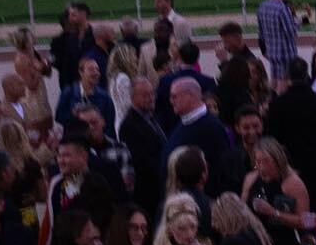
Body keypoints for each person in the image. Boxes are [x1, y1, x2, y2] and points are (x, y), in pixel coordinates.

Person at [265, 56, 316, 214]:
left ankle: (299, 233)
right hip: (315, 162)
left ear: (287, 76)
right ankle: (312, 232)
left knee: (290, 205)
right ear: (306, 75)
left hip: (288, 165)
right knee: (313, 203)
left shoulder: (278, 104)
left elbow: (270, 138)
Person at [162, 77, 230, 184]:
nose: (171, 101)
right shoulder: (182, 123)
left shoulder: (211, 128)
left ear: (190, 96)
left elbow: (221, 168)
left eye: (174, 97)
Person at [119, 77, 167, 219]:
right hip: (147, 192)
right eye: (146, 95)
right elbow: (141, 161)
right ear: (133, 97)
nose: (151, 98)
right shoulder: (129, 126)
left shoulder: (152, 118)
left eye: (152, 93)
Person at [56, 56, 115, 137]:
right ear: (81, 72)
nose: (96, 73)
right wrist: (73, 115)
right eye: (91, 69)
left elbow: (109, 126)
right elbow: (59, 117)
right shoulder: (69, 92)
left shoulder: (105, 98)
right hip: (75, 141)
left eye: (97, 69)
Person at [256, 0, 300, 83]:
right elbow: (291, 31)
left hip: (271, 50)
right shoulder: (282, 8)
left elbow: (261, 32)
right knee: (284, 82)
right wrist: (297, 21)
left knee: (274, 80)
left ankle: (273, 98)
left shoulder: (262, 6)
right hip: (285, 52)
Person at [51, 2, 100, 88]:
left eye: (73, 14)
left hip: (92, 87)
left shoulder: (96, 36)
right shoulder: (64, 39)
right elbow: (56, 61)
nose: (69, 18)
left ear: (83, 14)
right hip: (69, 86)